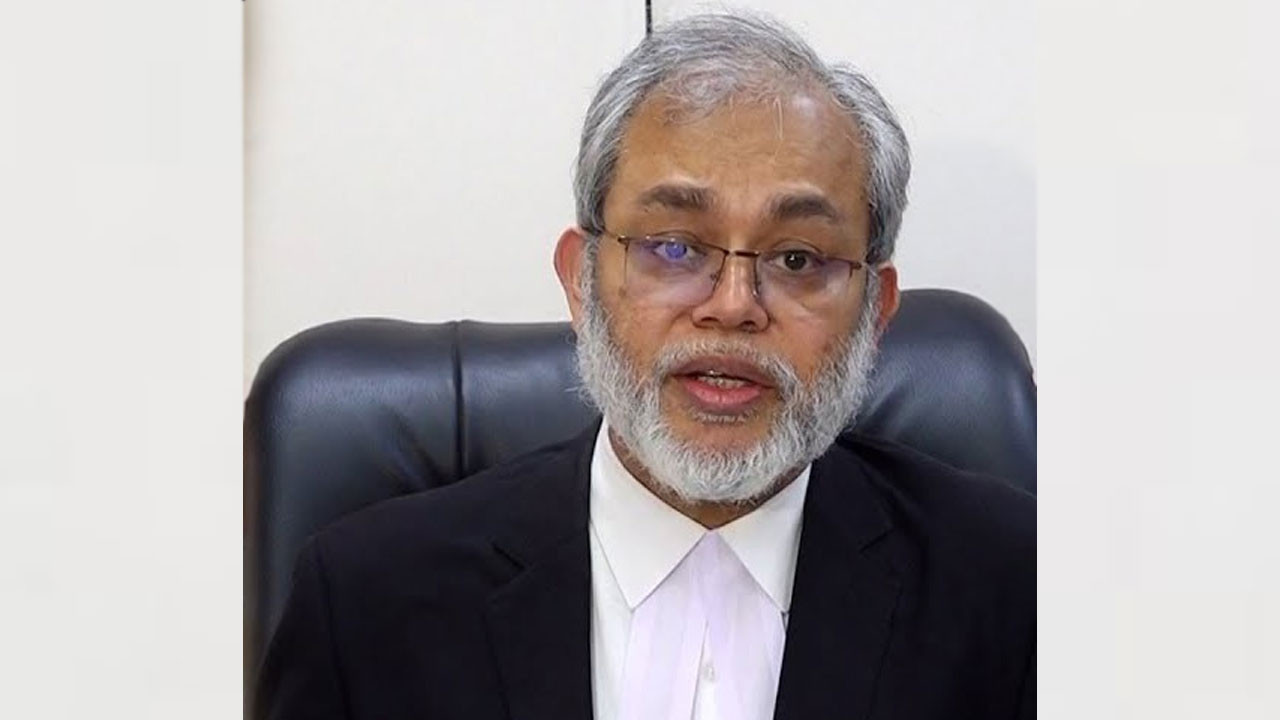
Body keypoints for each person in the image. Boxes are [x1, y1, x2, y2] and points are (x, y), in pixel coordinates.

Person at [254, 13, 1035, 720]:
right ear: (580, 282)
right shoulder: (367, 602)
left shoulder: (1016, 589)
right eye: (674, 247)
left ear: (875, 315)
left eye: (797, 258)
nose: (733, 305)